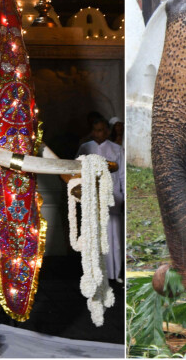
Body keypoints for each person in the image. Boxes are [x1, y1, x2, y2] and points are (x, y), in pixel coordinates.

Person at [76, 117, 125, 283]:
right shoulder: (85, 148)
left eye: (103, 130)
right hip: (92, 197)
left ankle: (114, 273)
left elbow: (123, 174)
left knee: (114, 237)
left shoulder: (117, 149)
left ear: (108, 131)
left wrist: (124, 195)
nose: (100, 133)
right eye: (96, 130)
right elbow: (77, 173)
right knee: (93, 236)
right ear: (92, 131)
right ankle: (94, 274)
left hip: (113, 196)